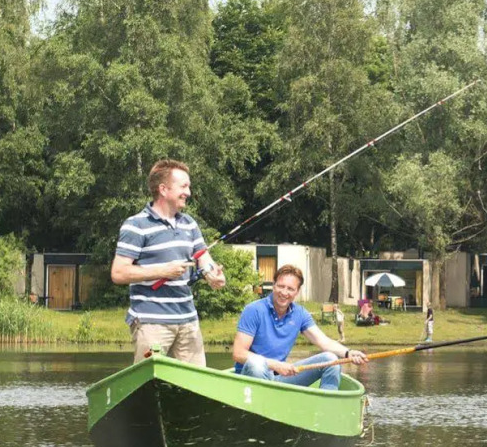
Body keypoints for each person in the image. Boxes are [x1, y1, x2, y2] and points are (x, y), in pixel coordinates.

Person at [111, 159, 226, 365]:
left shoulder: (189, 223)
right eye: (183, 186)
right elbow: (119, 273)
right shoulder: (136, 225)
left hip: (188, 322)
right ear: (163, 189)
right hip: (151, 323)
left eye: (188, 186)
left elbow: (202, 257)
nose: (188, 192)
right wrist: (161, 270)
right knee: (148, 386)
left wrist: (212, 275)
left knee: (195, 387)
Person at [232, 264, 367, 389]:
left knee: (331, 359)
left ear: (297, 292)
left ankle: (325, 407)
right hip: (251, 378)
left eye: (290, 289)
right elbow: (239, 353)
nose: (284, 292)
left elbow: (324, 342)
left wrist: (349, 353)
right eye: (281, 286)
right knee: (257, 364)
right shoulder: (254, 310)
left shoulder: (300, 313)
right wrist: (276, 365)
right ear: (274, 286)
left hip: (277, 378)